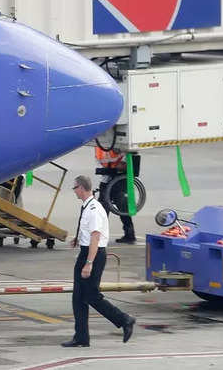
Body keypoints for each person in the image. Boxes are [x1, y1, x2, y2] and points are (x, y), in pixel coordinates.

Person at [61, 175, 135, 347]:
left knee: (91, 296)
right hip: (86, 251)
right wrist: (78, 238)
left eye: (74, 188)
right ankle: (81, 337)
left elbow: (95, 237)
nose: (74, 191)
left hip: (93, 255)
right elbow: (88, 232)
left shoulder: (94, 209)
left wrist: (89, 263)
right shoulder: (87, 206)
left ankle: (124, 319)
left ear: (81, 188)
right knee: (78, 298)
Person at [95, 147, 136, 244]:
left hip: (119, 179)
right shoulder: (100, 147)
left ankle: (129, 234)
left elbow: (124, 165)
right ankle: (99, 234)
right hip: (107, 178)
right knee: (103, 208)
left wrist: (114, 168)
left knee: (122, 207)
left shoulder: (119, 145)